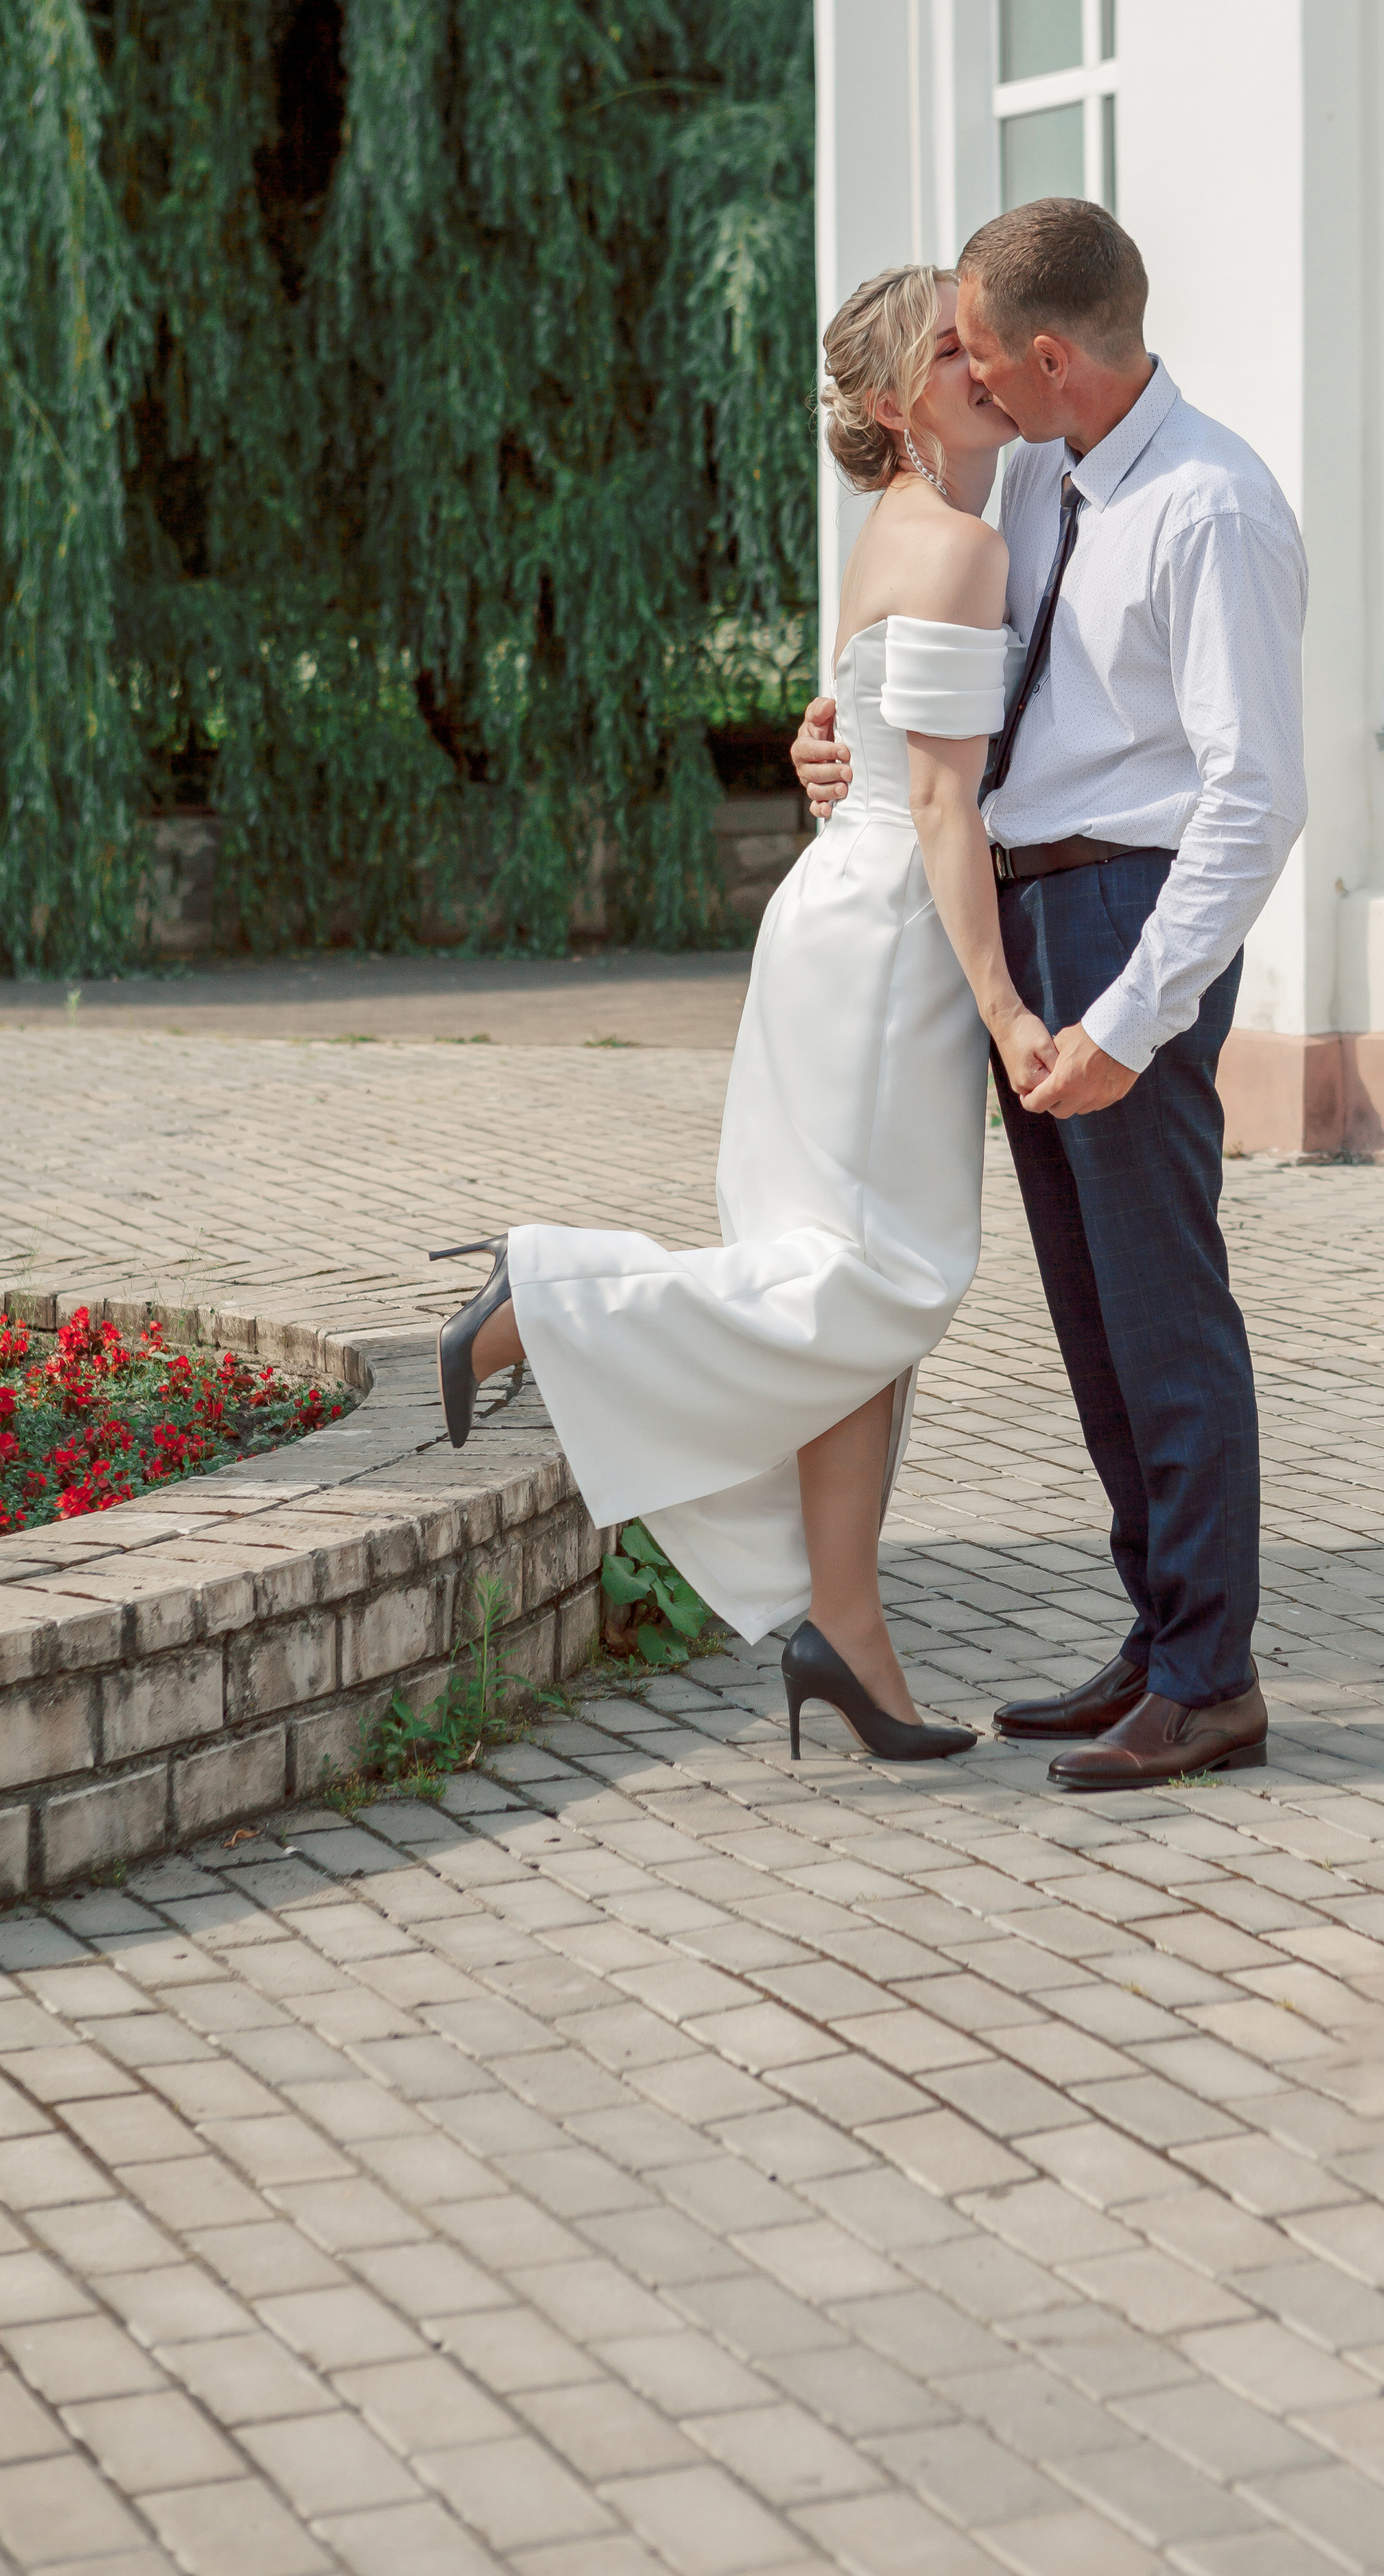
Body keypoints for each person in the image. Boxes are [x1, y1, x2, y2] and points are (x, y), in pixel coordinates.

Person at [429, 265, 1055, 1764]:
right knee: (876, 1286)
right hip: (892, 942)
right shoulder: (960, 543)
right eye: (951, 351)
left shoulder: (909, 528)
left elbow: (864, 733)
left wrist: (826, 756)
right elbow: (944, 804)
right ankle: (545, 1302)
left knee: (847, 1306)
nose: (982, 366)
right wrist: (1006, 1013)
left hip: (840, 921)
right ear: (900, 400)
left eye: (983, 343)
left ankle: (847, 1630)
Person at [793, 197, 1307, 1792]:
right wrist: (838, 746)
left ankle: (1209, 1680)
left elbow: (1252, 799)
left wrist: (1126, 1016)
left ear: (1042, 356)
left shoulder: (1208, 506)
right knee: (1094, 1321)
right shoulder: (1040, 476)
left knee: (1163, 1313)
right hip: (1026, 917)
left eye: (974, 349)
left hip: (1120, 921)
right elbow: (942, 706)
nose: (968, 376)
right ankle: (1156, 1642)